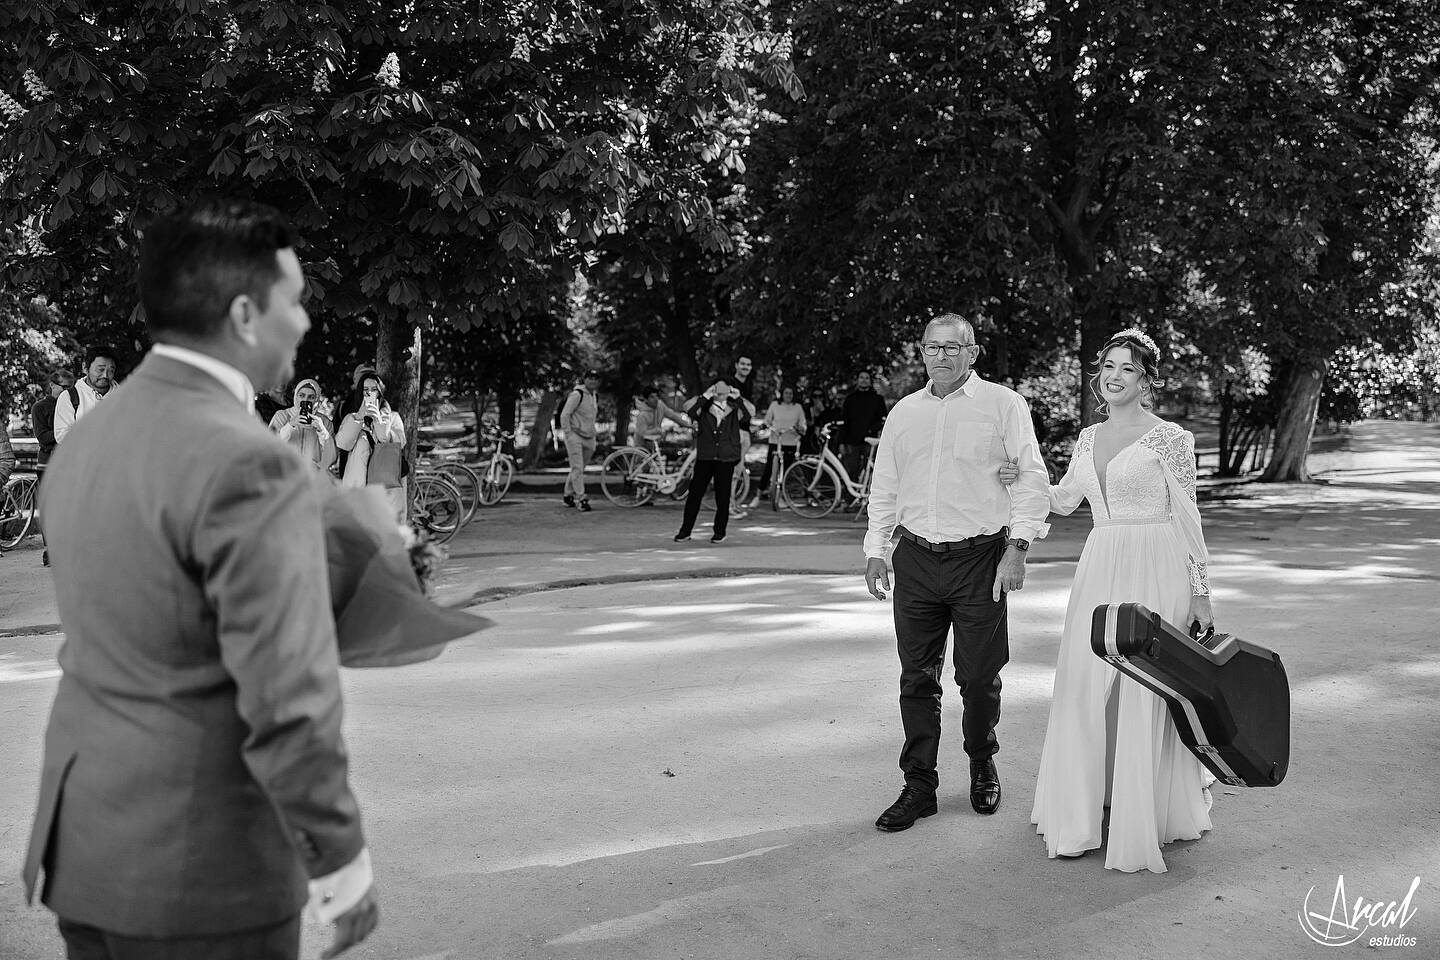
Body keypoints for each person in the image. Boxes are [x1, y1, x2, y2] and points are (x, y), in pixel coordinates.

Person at [23, 200, 378, 959]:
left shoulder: (84, 443)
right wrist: (339, 862)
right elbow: (286, 693)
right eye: (297, 302)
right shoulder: (249, 460)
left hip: (85, 843)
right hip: (202, 870)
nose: (307, 323)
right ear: (246, 314)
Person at [1020, 328, 1216, 873]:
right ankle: (1081, 810)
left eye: (1127, 368)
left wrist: (1201, 592)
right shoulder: (1086, 438)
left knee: (1144, 687)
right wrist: (1019, 481)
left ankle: (1145, 812)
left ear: (1146, 380)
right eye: (1107, 365)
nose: (1114, 375)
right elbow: (1062, 500)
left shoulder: (1170, 439)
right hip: (1099, 562)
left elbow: (1188, 517)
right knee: (1085, 684)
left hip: (1156, 563)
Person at [863, 314, 1050, 832]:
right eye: (931, 347)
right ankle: (919, 785)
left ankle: (981, 760)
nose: (941, 356)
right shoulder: (904, 412)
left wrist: (1018, 548)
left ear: (972, 352)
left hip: (979, 560)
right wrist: (876, 549)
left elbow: (1032, 479)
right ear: (921, 353)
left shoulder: (1003, 405)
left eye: (952, 347)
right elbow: (885, 486)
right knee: (916, 678)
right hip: (916, 559)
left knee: (978, 677)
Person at [673, 375, 754, 544]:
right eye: (717, 389)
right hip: (706, 456)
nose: (720, 393)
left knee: (722, 497)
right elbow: (691, 412)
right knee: (695, 494)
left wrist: (737, 396)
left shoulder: (734, 408)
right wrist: (706, 396)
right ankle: (685, 530)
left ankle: (720, 531)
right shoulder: (704, 407)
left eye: (724, 389)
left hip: (725, 458)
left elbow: (747, 415)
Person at [336, 373, 407, 517]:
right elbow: (342, 444)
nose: (369, 393)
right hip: (358, 488)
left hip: (386, 487)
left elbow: (398, 444)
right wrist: (359, 417)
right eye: (365, 389)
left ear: (380, 392)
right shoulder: (352, 417)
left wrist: (379, 420)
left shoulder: (393, 417)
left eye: (373, 389)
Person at [269, 377, 337, 473]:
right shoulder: (282, 416)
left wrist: (322, 431)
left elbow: (331, 459)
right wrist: (290, 425)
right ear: (296, 396)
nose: (306, 400)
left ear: (317, 399)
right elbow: (270, 447)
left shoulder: (324, 422)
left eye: (311, 397)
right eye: (302, 395)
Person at [52, 347, 117, 443]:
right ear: (85, 368)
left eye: (111, 370)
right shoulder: (69, 397)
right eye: (100, 369)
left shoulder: (126, 397)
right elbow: (62, 436)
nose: (105, 375)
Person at [839, 369, 887, 495]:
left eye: (866, 377)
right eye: (861, 377)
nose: (864, 380)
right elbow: (845, 421)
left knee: (870, 472)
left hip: (869, 441)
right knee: (851, 471)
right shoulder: (850, 399)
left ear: (870, 381)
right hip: (852, 441)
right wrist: (841, 442)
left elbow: (883, 419)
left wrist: (871, 430)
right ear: (857, 380)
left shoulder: (877, 399)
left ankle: (867, 501)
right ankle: (849, 501)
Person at [756, 385, 807, 498]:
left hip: (790, 442)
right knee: (769, 468)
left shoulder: (797, 407)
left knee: (785, 471)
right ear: (782, 394)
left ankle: (781, 496)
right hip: (776, 441)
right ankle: (758, 495)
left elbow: (802, 424)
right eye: (786, 393)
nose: (788, 395)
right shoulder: (775, 405)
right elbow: (767, 420)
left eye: (790, 393)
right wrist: (763, 427)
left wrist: (800, 429)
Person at [560, 370, 600, 512]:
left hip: (589, 436)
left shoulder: (594, 396)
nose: (593, 381)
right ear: (585, 379)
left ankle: (567, 495)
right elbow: (565, 414)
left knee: (579, 468)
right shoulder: (577, 394)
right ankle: (581, 498)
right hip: (575, 435)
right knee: (577, 467)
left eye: (595, 379)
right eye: (590, 378)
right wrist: (568, 433)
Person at [631, 384, 688, 457]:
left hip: (654, 443)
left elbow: (672, 415)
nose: (656, 399)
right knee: (643, 466)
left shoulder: (660, 406)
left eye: (656, 396)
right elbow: (642, 433)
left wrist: (688, 425)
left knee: (654, 465)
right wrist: (658, 430)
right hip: (642, 445)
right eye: (652, 397)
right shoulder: (642, 415)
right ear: (646, 399)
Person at [31, 370, 74, 466]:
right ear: (52, 385)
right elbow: (43, 437)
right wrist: (67, 431)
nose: (68, 391)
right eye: (64, 387)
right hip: (48, 461)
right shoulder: (39, 407)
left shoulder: (75, 405)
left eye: (71, 388)